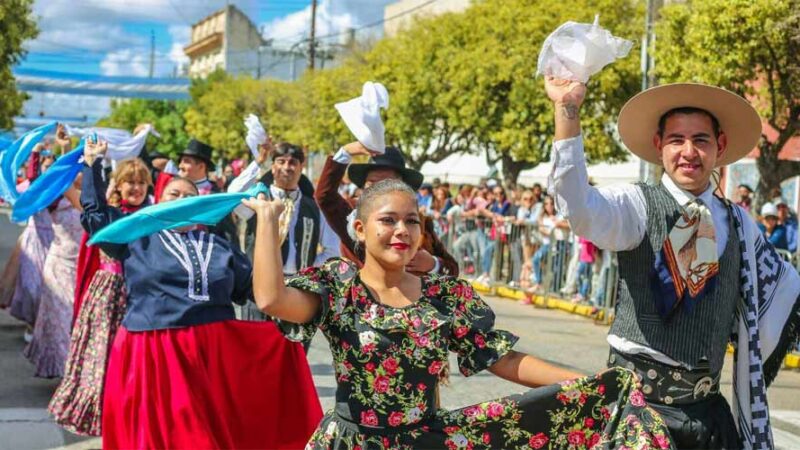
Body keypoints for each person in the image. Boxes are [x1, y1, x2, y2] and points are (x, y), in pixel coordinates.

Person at [244, 178, 673, 449]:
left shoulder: (445, 295)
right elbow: (271, 300)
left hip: (425, 441)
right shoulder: (340, 285)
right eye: (388, 220)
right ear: (359, 229)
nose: (402, 231)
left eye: (412, 222)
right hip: (352, 441)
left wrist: (590, 384)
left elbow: (504, 360)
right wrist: (267, 221)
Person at [546, 76, 800, 449]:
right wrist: (567, 110)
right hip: (637, 411)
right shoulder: (635, 205)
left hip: (707, 416)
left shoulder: (740, 223)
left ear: (720, 146)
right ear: (658, 146)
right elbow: (579, 208)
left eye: (701, 140)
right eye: (676, 140)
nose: (688, 152)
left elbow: (784, 290)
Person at [82, 174, 321, 449]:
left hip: (214, 356)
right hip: (156, 352)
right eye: (174, 195)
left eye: (189, 196)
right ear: (158, 201)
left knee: (212, 434)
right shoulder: (136, 240)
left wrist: (307, 297)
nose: (182, 200)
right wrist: (92, 166)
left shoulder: (219, 247)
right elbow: (95, 217)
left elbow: (257, 290)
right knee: (171, 436)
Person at [49, 139, 152, 436]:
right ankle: (104, 412)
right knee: (103, 355)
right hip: (108, 294)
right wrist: (77, 158)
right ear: (117, 186)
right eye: (129, 182)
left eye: (140, 183)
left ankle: (131, 409)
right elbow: (85, 200)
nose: (135, 188)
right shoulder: (109, 215)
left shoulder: (152, 217)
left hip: (138, 296)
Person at [230, 141, 340, 321]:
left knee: (293, 347)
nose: (287, 167)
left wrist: (307, 270)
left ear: (300, 167)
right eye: (281, 161)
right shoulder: (258, 201)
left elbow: (332, 250)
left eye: (292, 163)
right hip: (258, 287)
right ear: (273, 167)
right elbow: (233, 193)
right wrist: (258, 162)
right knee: (257, 345)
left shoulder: (313, 208)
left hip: (298, 290)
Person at [315, 141, 459, 276]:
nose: (378, 192)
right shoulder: (353, 213)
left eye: (385, 185)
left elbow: (452, 269)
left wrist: (433, 264)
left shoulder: (418, 220)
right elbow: (325, 196)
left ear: (402, 187)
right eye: (371, 185)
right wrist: (345, 152)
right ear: (359, 229)